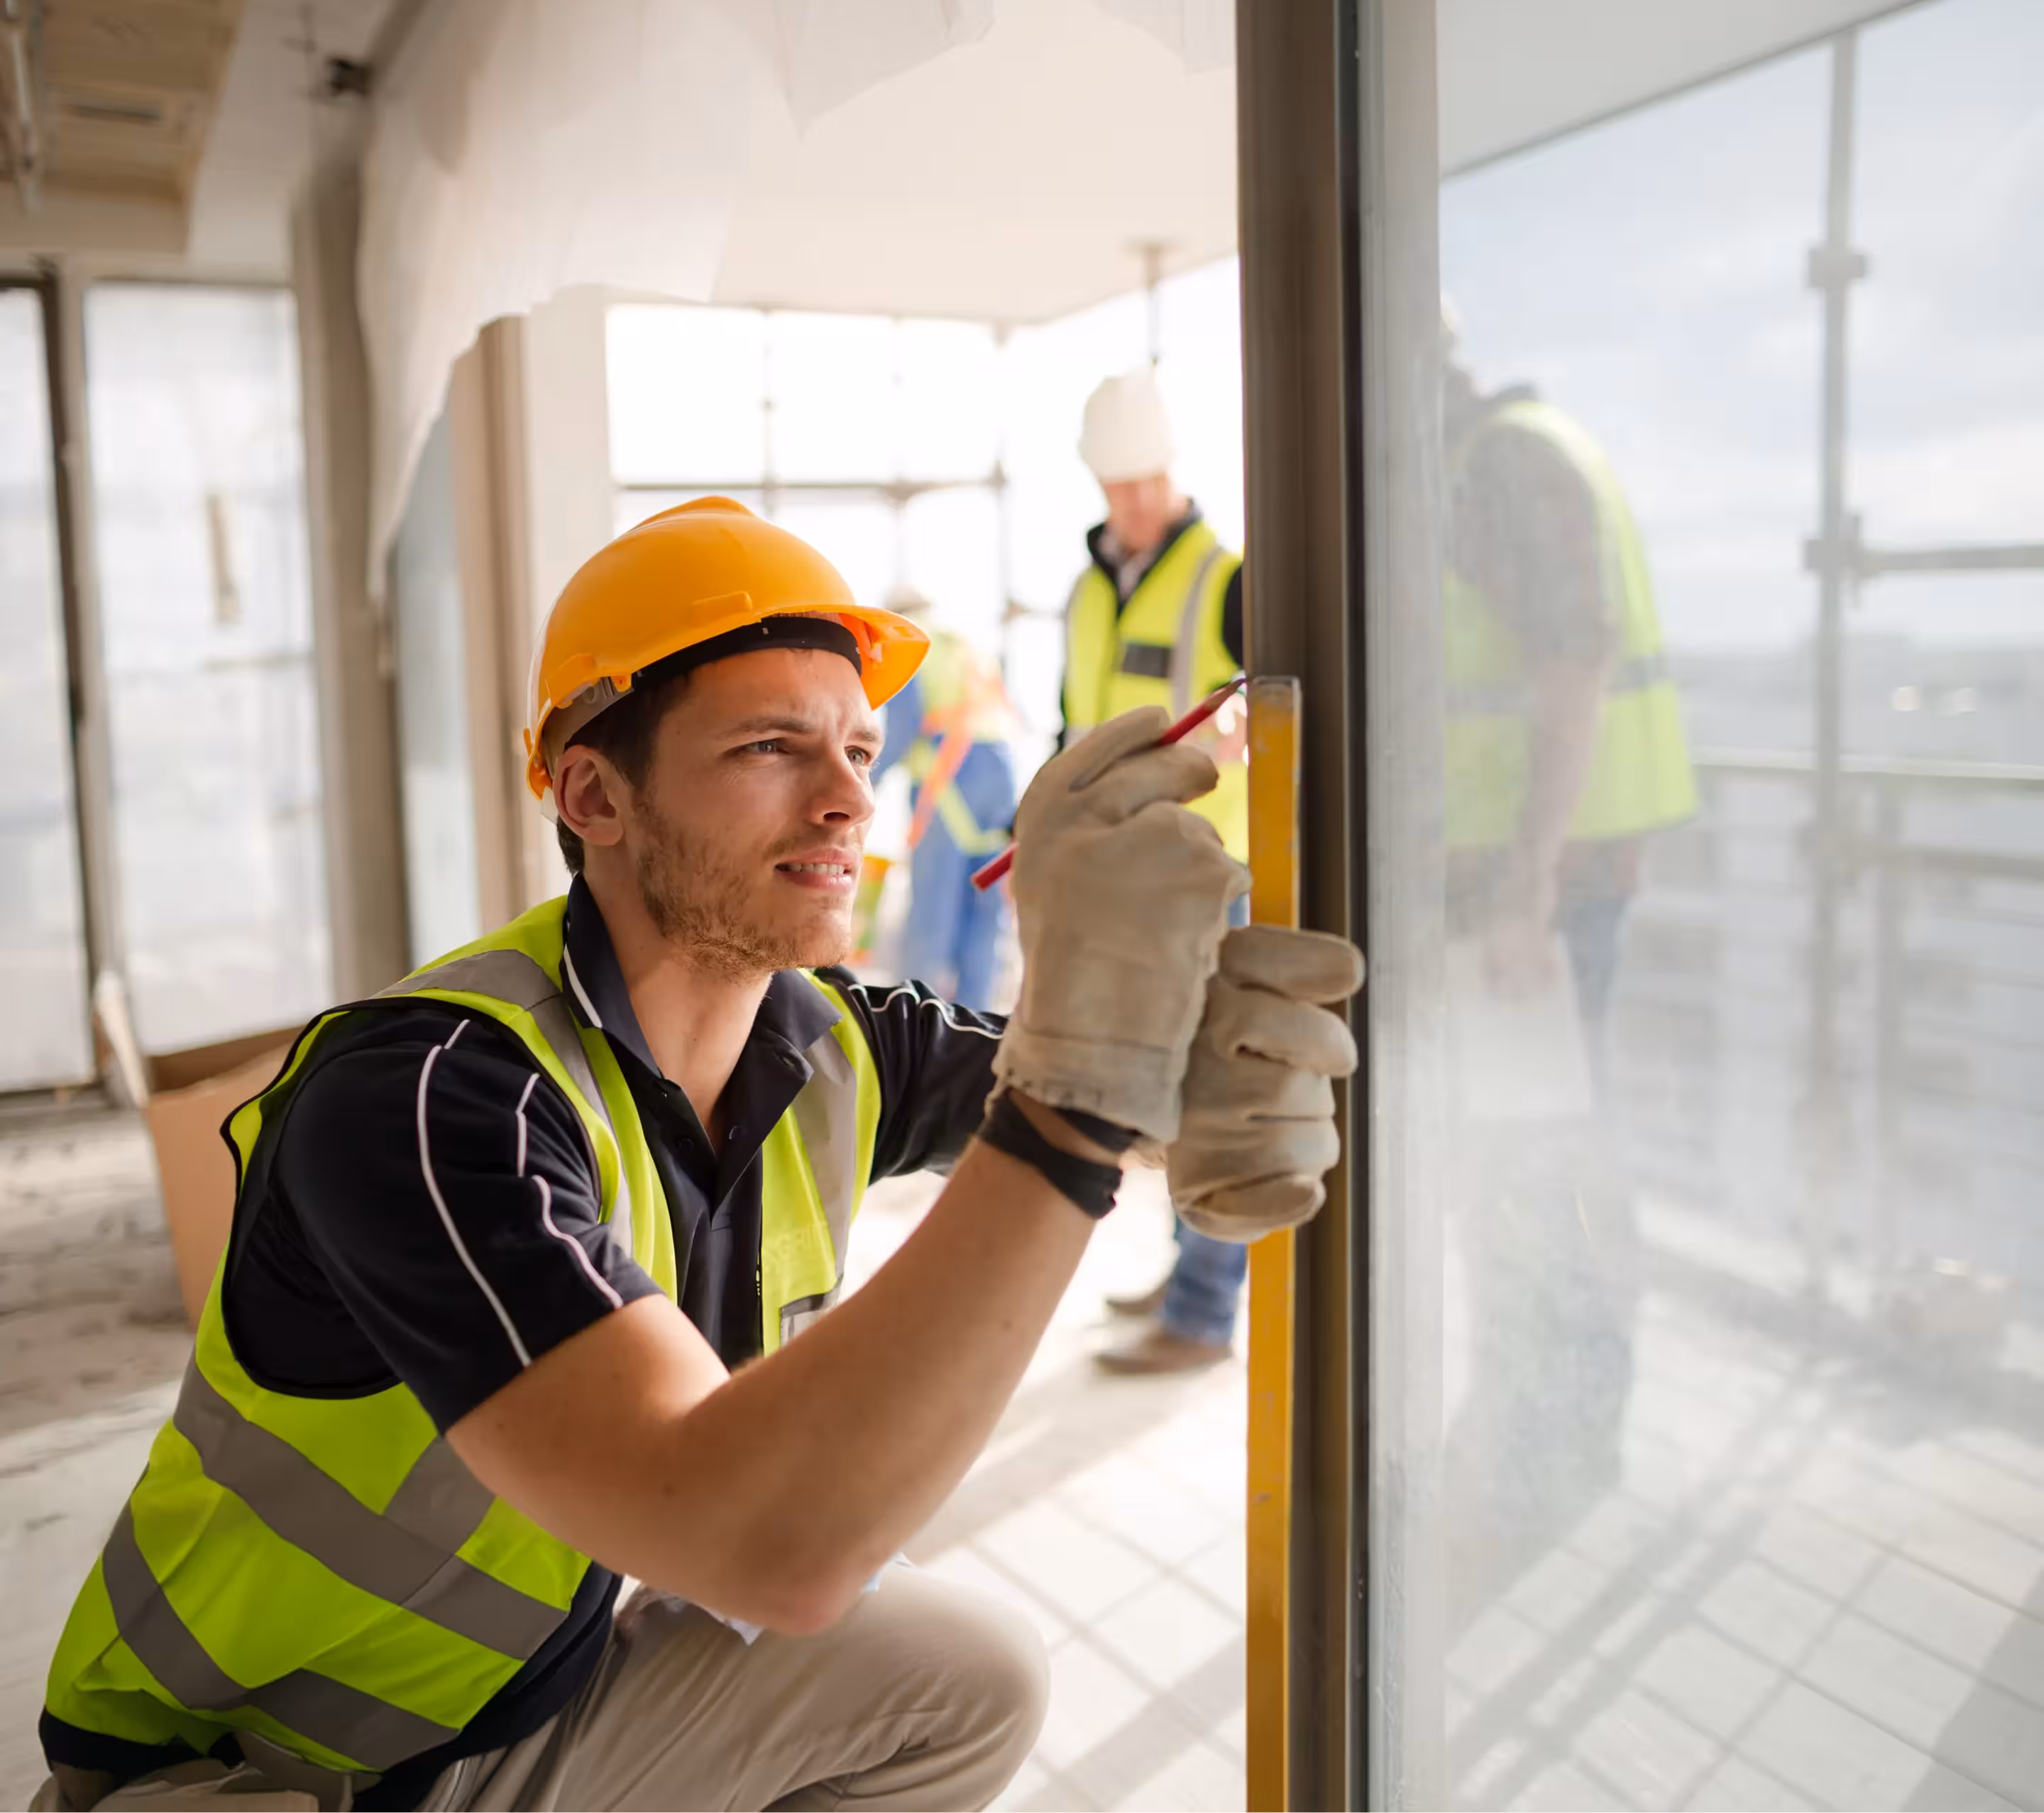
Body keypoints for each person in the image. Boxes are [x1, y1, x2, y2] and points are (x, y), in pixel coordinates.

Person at [35, 495, 1360, 1813]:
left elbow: (1073, 1071)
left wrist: (1196, 1057)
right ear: (593, 792)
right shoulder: (431, 1098)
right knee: (815, 1575)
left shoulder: (835, 1042)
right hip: (254, 1772)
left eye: (859, 745)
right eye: (774, 747)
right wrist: (1077, 1104)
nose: (851, 798)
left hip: (519, 1710)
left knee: (967, 1680)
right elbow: (773, 1550)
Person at [1437, 319, 1697, 1629]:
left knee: (1531, 1167)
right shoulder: (1530, 449)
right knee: (1541, 1157)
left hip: (1538, 901)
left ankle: (1546, 1446)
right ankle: (1535, 1426)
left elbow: (1572, 666)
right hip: (1545, 887)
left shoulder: (1503, 465)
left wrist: (1527, 881)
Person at [1061, 369, 1255, 1377]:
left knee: (1216, 1092)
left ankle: (1206, 1310)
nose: (1133, 504)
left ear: (1174, 470)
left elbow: (1281, 712)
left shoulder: (1228, 582)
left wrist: (1245, 733)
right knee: (1170, 1095)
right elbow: (1071, 735)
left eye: (1147, 482)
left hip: (1211, 875)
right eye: (1116, 486)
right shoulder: (1088, 592)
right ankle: (1188, 1272)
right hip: (1122, 878)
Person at [869, 591, 1019, 1009]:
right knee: (985, 907)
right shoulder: (964, 644)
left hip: (951, 777)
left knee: (934, 907)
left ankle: (915, 1017)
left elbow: (899, 729)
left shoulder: (908, 644)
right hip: (1000, 776)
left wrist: (865, 783)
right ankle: (976, 1017)